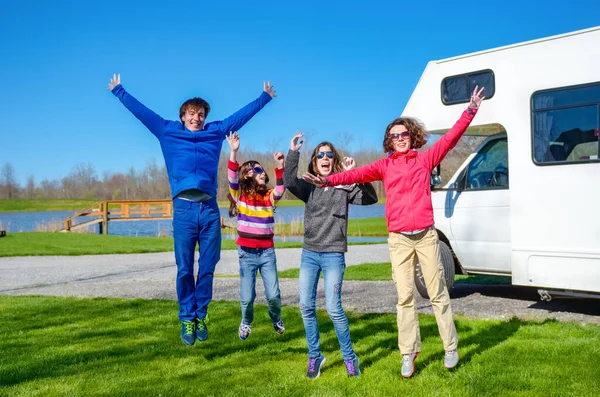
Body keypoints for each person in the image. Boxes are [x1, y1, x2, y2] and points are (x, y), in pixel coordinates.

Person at [303, 86, 485, 378]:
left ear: (411, 137)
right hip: (399, 239)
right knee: (405, 298)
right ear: (389, 141)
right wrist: (326, 181)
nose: (400, 139)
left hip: (426, 235)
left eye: (404, 135)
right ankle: (408, 353)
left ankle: (450, 347)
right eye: (395, 136)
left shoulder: (425, 159)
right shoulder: (384, 166)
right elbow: (354, 175)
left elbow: (451, 139)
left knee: (437, 293)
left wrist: (471, 110)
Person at [107, 74, 276, 345]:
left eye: (200, 114)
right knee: (185, 268)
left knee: (208, 267)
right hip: (184, 210)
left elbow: (240, 117)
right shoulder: (167, 131)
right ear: (183, 116)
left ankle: (201, 315)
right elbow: (143, 113)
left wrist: (264, 98)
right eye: (191, 113)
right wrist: (119, 92)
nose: (196, 117)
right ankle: (187, 318)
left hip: (209, 210)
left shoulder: (215, 132)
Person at [284, 133, 378, 379]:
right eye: (320, 155)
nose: (325, 158)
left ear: (334, 160)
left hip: (334, 254)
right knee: (305, 306)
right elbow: (288, 181)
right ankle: (315, 355)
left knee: (334, 309)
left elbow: (371, 198)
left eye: (329, 155)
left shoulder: (344, 186)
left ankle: (350, 358)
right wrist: (293, 152)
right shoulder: (309, 188)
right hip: (309, 254)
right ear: (314, 162)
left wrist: (355, 176)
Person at [225, 131, 286, 340]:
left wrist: (279, 167)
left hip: (267, 253)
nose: (262, 172)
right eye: (257, 169)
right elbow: (232, 177)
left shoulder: (269, 197)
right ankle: (246, 321)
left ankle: (275, 316)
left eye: (262, 169)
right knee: (247, 297)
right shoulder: (239, 195)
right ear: (249, 174)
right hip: (246, 253)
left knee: (274, 295)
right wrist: (233, 152)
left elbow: (279, 188)